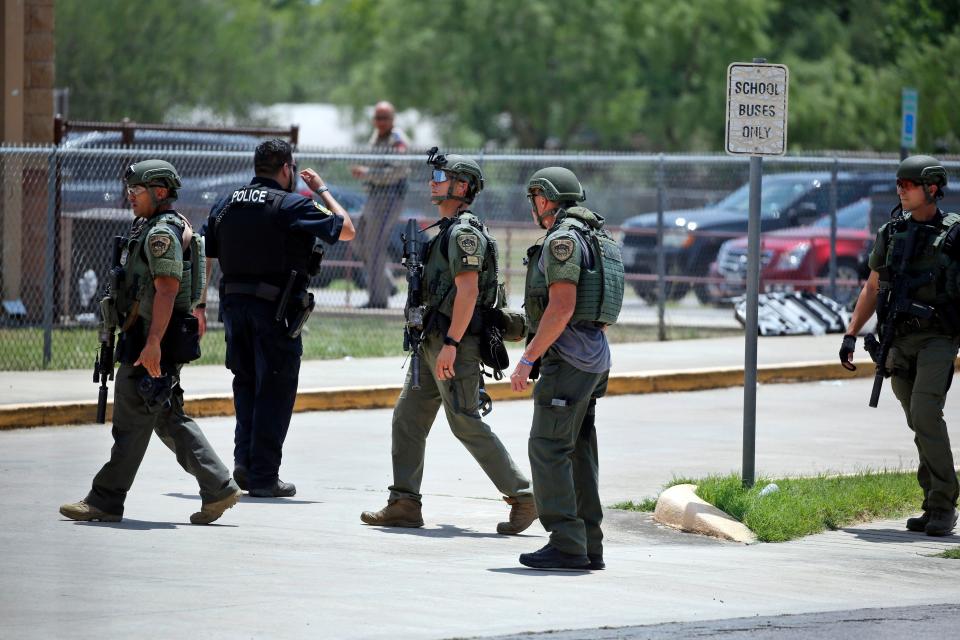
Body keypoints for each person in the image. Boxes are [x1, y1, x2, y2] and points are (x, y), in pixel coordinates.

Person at [361, 149, 537, 533]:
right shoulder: (447, 229)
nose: (432, 182)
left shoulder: (464, 234)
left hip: (452, 342)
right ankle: (405, 502)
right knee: (407, 419)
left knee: (465, 423)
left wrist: (453, 344)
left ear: (461, 186)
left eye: (441, 176)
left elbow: (468, 292)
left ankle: (523, 496)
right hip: (432, 340)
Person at [60, 160, 240, 525]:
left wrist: (153, 342)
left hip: (152, 339)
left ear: (159, 192)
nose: (129, 196)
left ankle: (106, 500)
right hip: (147, 336)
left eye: (136, 190)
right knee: (166, 416)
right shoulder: (150, 226)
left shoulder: (162, 233)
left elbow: (167, 288)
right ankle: (218, 486)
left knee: (131, 419)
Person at [203, 140, 355, 498]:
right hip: (274, 311)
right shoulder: (292, 204)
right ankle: (264, 476)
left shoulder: (225, 204)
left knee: (246, 385)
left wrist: (198, 305)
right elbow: (346, 229)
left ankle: (244, 462)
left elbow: (205, 254)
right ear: (286, 169)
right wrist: (322, 189)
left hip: (233, 307)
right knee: (274, 389)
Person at [510, 167, 624, 570]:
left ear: (544, 198)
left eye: (535, 199)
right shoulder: (597, 237)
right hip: (595, 356)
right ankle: (589, 545)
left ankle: (566, 543)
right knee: (578, 451)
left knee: (547, 448)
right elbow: (603, 309)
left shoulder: (563, 239)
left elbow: (561, 307)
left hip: (570, 359)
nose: (534, 206)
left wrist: (527, 360)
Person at [840, 154, 959, 537]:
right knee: (916, 421)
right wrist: (851, 333)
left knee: (925, 413)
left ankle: (944, 503)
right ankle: (931, 501)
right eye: (898, 185)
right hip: (899, 337)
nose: (900, 191)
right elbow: (873, 286)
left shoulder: (956, 234)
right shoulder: (891, 233)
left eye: (907, 185)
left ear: (932, 189)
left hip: (939, 336)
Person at [350, 101, 410, 308]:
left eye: (385, 118)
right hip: (373, 195)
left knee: (375, 246)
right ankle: (386, 283)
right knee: (357, 238)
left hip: (390, 195)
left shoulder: (397, 139)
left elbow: (397, 171)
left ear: (392, 119)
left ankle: (378, 300)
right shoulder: (376, 136)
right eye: (378, 117)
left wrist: (367, 173)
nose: (381, 122)